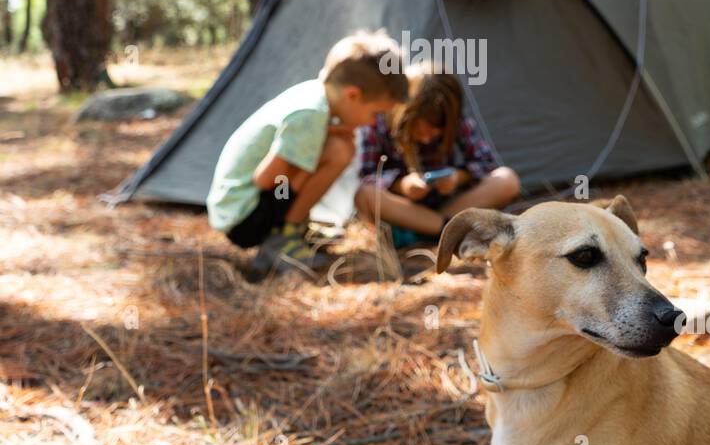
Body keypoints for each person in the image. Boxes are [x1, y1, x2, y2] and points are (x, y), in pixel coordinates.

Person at [207, 31, 408, 273]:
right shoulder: (311, 114)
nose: (373, 124)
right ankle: (283, 238)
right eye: (376, 113)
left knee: (336, 147)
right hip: (244, 220)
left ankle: (290, 229)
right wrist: (310, 152)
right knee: (339, 151)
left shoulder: (314, 97)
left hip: (241, 209)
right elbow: (265, 178)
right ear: (353, 95)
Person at [354, 65, 520, 247]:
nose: (426, 139)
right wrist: (402, 185)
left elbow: (487, 164)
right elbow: (367, 176)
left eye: (435, 132)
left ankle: (440, 229)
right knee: (365, 194)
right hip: (405, 212)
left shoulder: (455, 120)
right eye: (418, 130)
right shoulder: (378, 123)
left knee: (507, 179)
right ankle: (445, 230)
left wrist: (457, 178)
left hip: (450, 206)